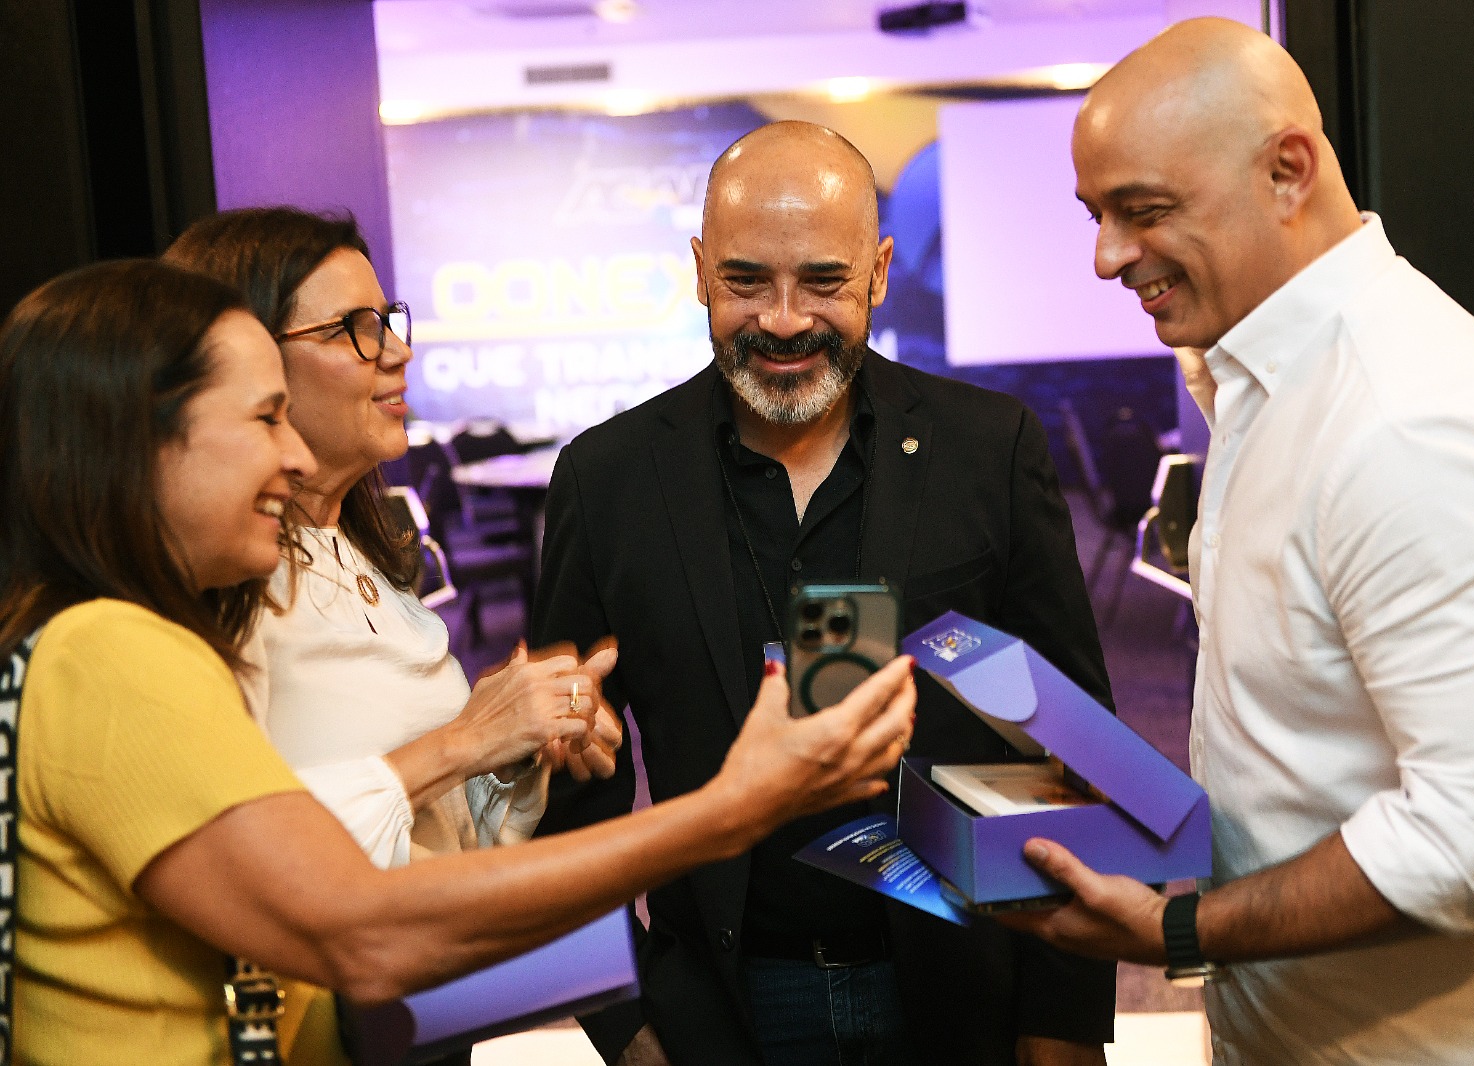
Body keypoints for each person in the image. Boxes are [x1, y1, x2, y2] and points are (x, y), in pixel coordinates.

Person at [0, 259, 917, 1065]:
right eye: (264, 417)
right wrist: (730, 812)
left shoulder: (110, 643)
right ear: (140, 439)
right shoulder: (108, 654)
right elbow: (367, 933)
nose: (292, 452)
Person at [1001, 17, 1474, 1065]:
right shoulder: (1264, 377)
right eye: (1098, 215)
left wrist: (1179, 931)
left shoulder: (1408, 421)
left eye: (1144, 211)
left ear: (1287, 172)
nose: (1106, 257)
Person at [533, 120, 1117, 1066]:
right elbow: (563, 789)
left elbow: (1073, 743)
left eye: (823, 281)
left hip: (963, 994)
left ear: (879, 272)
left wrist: (1064, 1019)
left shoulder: (989, 450)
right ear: (699, 272)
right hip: (717, 1012)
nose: (783, 319)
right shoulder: (607, 481)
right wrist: (627, 1028)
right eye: (746, 281)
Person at [164, 209, 615, 868]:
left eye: (385, 320)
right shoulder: (225, 585)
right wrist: (468, 739)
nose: (398, 352)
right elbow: (238, 852)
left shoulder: (360, 553)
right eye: (354, 328)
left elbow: (442, 836)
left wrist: (514, 745)